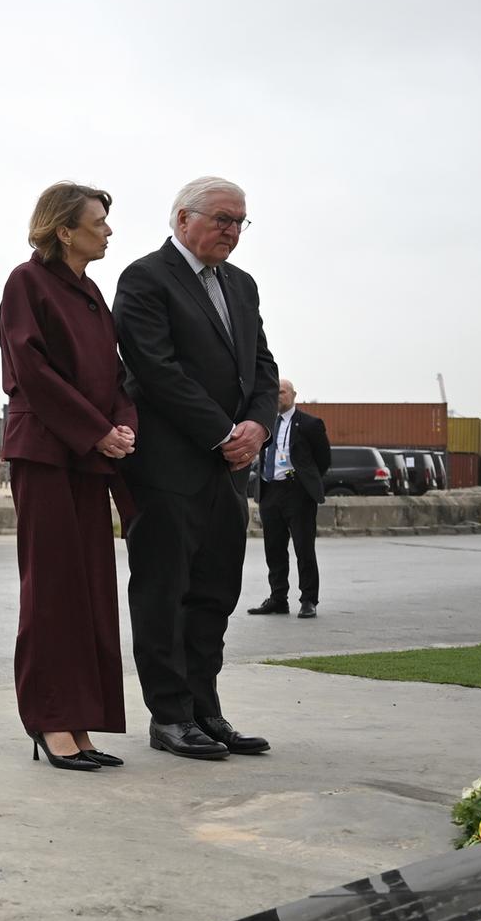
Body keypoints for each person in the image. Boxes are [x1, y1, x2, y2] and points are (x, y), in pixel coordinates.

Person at [114, 176, 279, 761]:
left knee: (214, 592)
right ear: (183, 219)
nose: (233, 231)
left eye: (240, 221)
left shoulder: (241, 284)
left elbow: (262, 365)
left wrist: (258, 426)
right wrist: (222, 432)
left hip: (227, 471)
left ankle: (206, 711)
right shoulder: (145, 278)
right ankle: (170, 716)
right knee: (163, 592)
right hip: (168, 467)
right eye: (222, 219)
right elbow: (154, 369)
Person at [0, 181, 139, 772]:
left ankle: (80, 721)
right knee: (53, 591)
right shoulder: (26, 283)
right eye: (97, 222)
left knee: (90, 592)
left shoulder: (92, 294)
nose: (108, 230)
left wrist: (122, 426)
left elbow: (116, 373)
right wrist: (95, 429)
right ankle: (50, 719)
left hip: (89, 455)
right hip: (47, 453)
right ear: (64, 230)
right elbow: (31, 371)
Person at [247, 380, 332, 618]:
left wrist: (305, 481)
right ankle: (278, 599)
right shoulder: (265, 424)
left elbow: (323, 460)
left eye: (282, 392)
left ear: (293, 395)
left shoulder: (310, 424)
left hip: (297, 492)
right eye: (274, 392)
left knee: (304, 548)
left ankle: (308, 600)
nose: (277, 396)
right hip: (270, 491)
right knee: (273, 548)